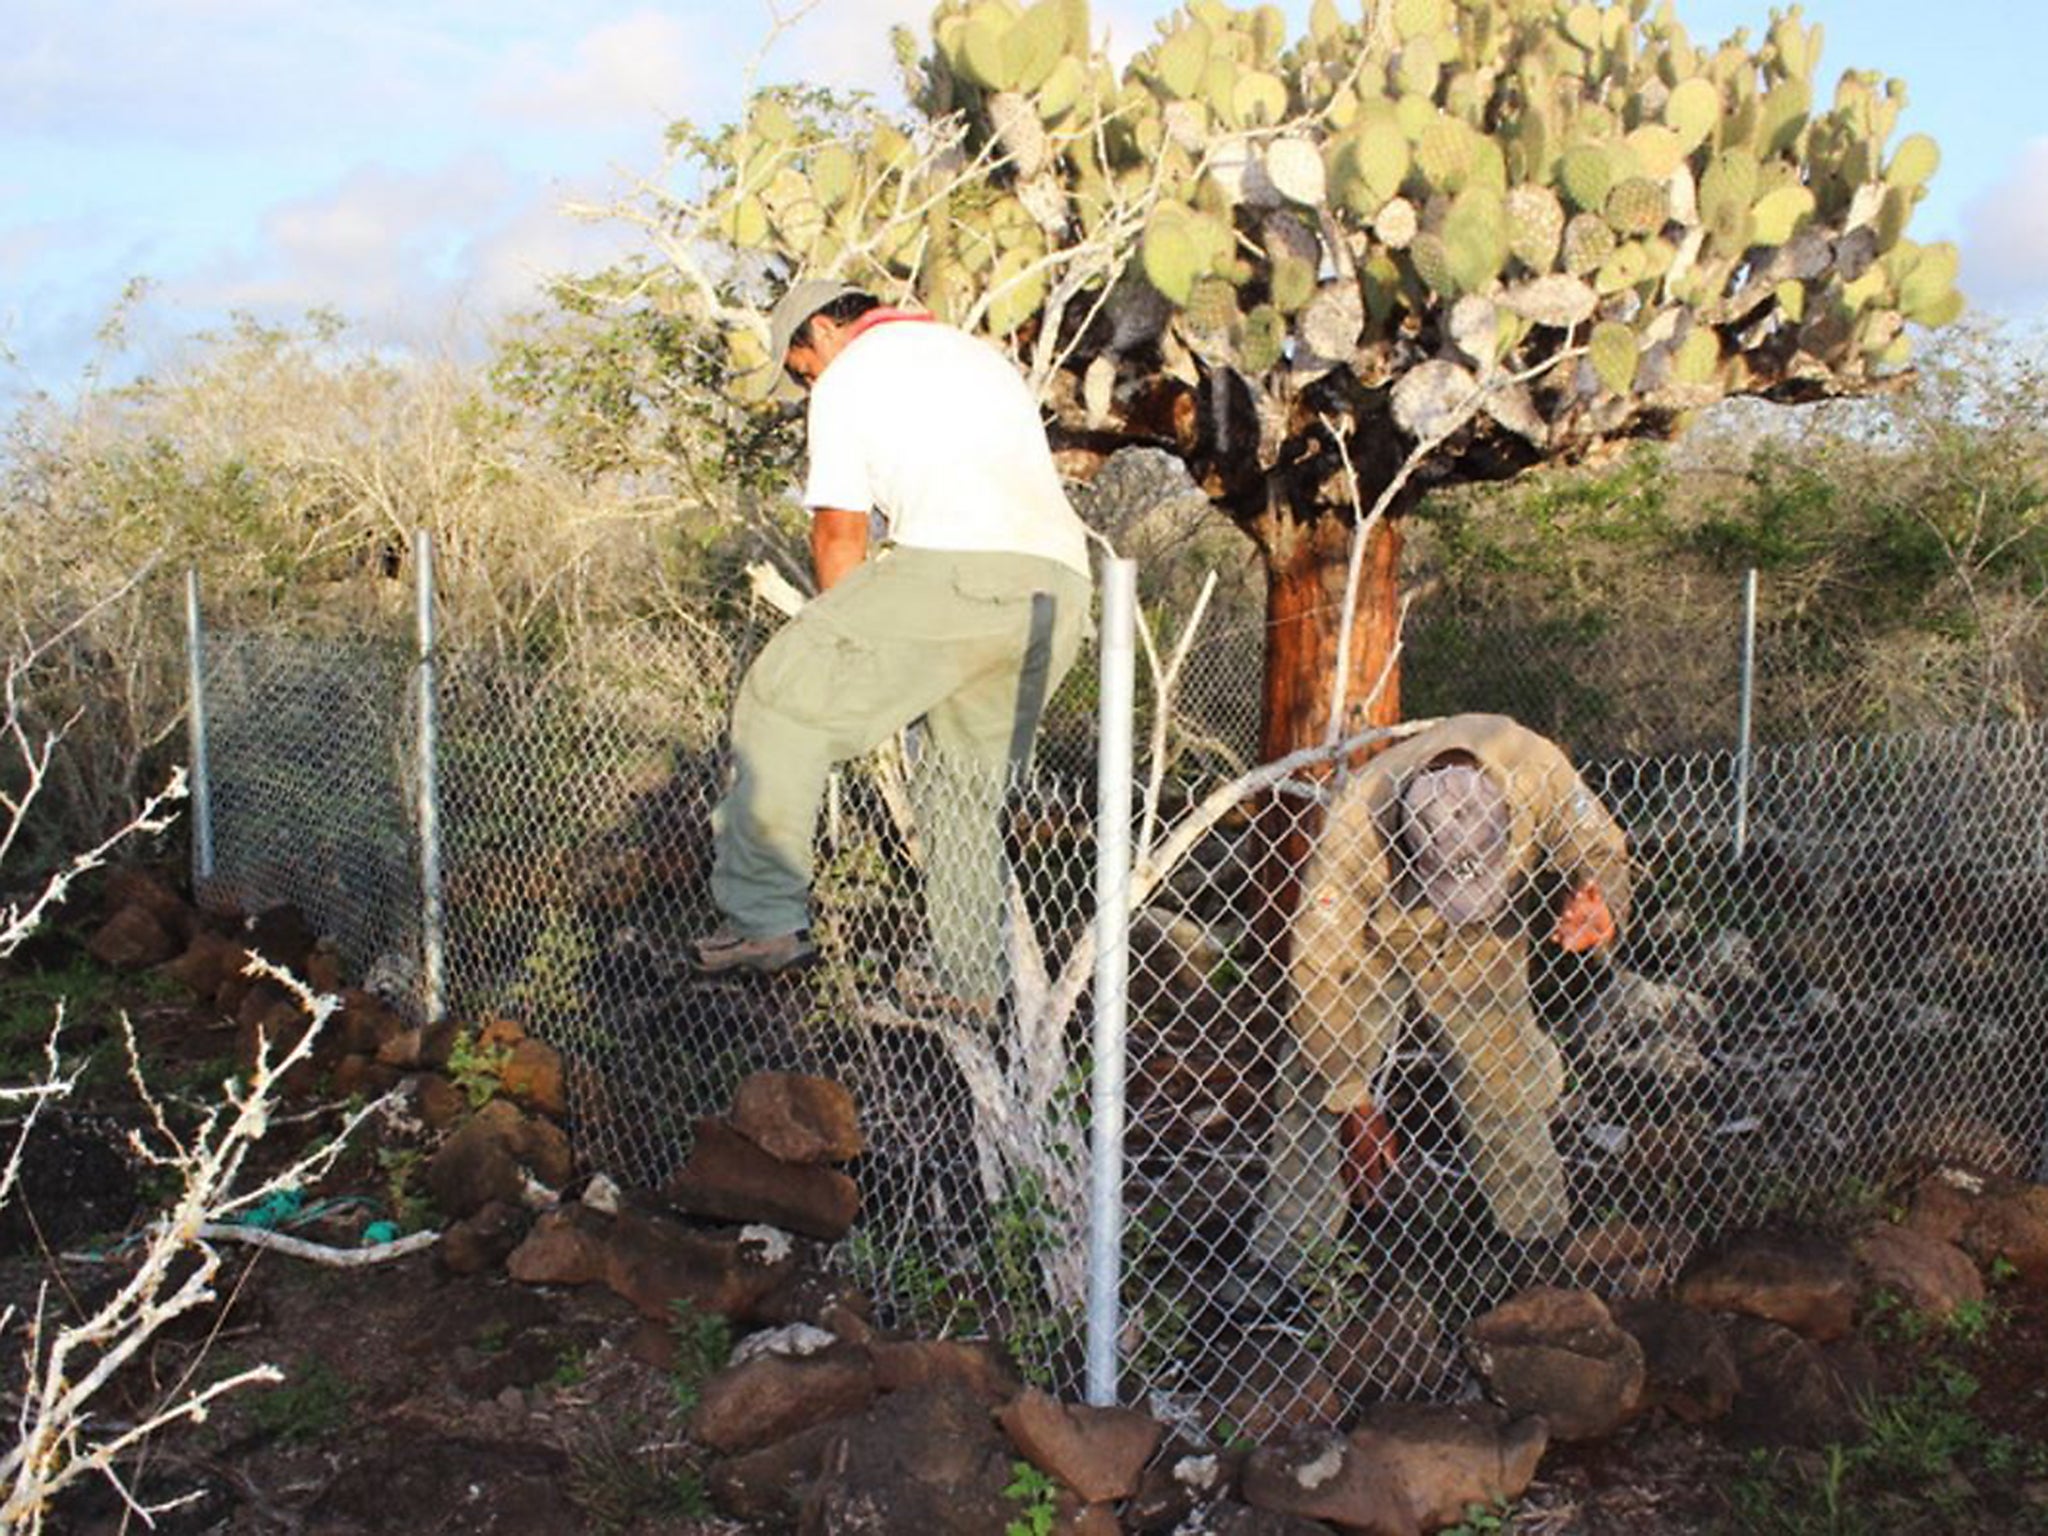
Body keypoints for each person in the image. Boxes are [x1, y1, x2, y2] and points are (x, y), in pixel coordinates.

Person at [692, 279, 1094, 1007]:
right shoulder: (977, 357)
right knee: (962, 789)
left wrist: (840, 649)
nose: (805, 379)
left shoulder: (849, 377)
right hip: (1057, 592)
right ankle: (967, 976)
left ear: (822, 330)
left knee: (781, 696)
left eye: (798, 364)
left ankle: (763, 919)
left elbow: (840, 532)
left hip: (956, 569)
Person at [1250, 713, 1630, 1270]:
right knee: (1312, 1086)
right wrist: (1353, 1099)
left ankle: (1536, 1244)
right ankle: (1291, 1262)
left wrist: (1601, 901)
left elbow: (1601, 848)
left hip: (1486, 932)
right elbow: (1317, 970)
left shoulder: (1534, 765)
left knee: (1504, 1078)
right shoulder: (1357, 815)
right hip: (1375, 937)